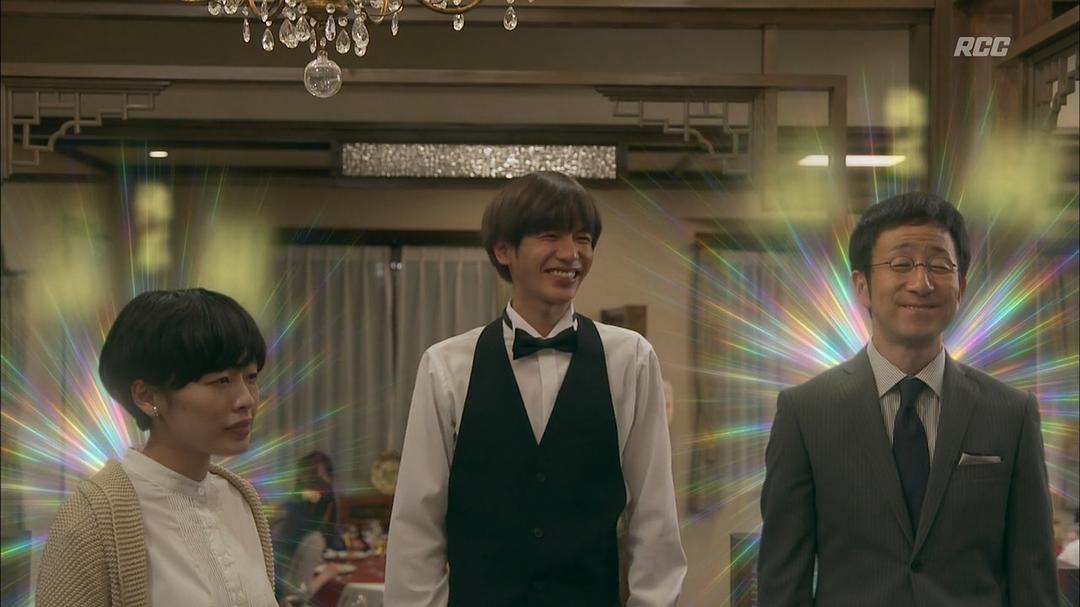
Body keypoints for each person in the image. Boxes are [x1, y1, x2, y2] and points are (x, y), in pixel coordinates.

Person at [385, 171, 686, 606]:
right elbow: (417, 523)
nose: (571, 253)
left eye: (582, 239)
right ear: (503, 250)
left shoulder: (631, 359)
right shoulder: (446, 366)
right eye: (550, 236)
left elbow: (654, 514)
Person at [757, 192, 1059, 606]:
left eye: (939, 266)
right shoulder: (805, 413)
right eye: (901, 264)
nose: (921, 283)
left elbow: (1034, 574)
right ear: (862, 285)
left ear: (961, 287)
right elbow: (782, 581)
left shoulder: (1011, 413)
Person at [36, 288, 277, 607]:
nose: (246, 399)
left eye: (251, 377)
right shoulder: (93, 518)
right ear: (147, 396)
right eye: (221, 380)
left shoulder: (240, 499)